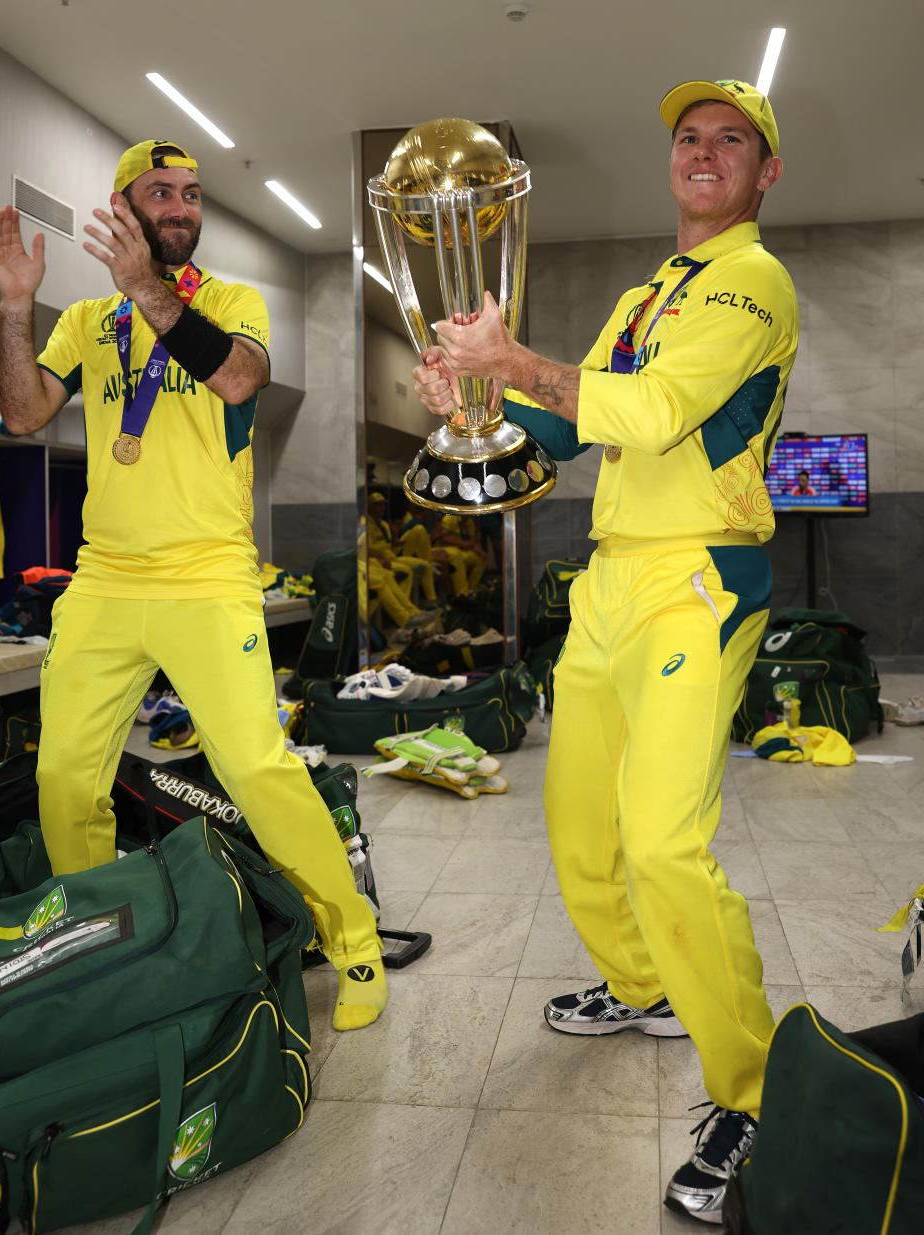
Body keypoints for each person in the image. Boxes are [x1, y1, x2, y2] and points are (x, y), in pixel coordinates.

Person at [413, 79, 798, 1222]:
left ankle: (761, 1088)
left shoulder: (754, 281)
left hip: (697, 577)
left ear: (765, 174)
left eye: (734, 140)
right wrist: (470, 396)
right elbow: (565, 417)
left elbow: (651, 411)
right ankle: (643, 985)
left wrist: (518, 360)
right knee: (580, 825)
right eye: (689, 135)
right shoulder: (645, 293)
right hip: (610, 578)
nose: (705, 151)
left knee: (663, 843)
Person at [0, 139, 386, 1032]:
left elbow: (239, 374)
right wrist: (16, 305)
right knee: (63, 777)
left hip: (208, 576)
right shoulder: (87, 320)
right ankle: (101, 952)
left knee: (256, 768)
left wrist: (144, 292)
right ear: (124, 206)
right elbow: (21, 413)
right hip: (104, 581)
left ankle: (354, 943)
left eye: (191, 195)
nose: (179, 207)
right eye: (159, 192)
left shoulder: (234, 302)